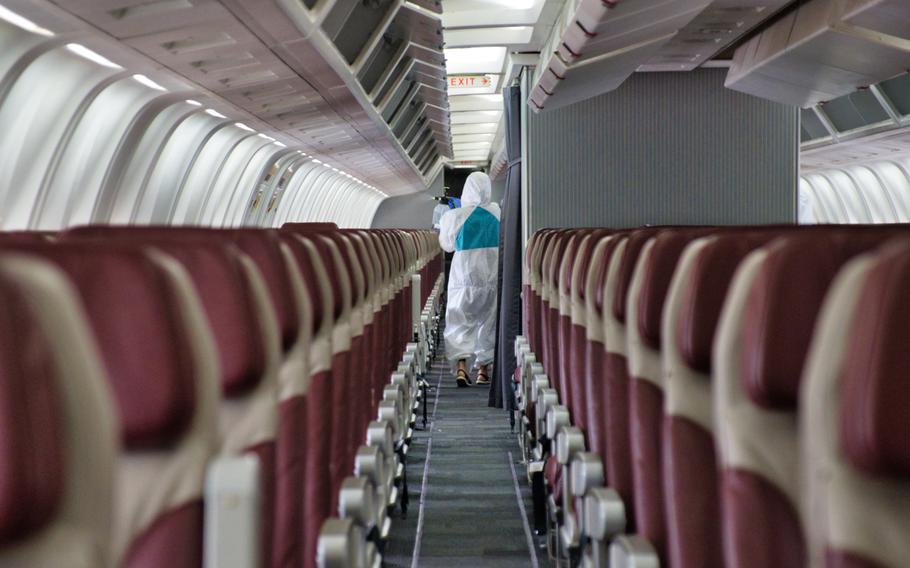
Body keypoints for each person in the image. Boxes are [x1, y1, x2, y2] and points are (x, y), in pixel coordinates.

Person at [438, 172, 501, 387]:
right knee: (488, 324)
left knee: (459, 323)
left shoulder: (454, 217)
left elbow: (446, 245)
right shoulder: (498, 213)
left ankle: (462, 368)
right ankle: (483, 371)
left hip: (463, 278)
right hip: (491, 278)